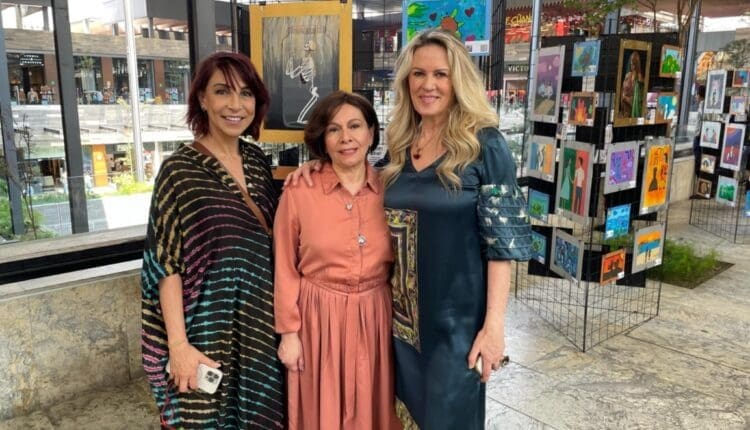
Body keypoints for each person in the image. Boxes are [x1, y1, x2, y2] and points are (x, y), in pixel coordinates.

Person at [288, 29, 532, 429]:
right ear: (406, 81)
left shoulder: (485, 145)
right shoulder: (402, 144)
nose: (427, 84)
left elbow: (501, 248)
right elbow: (360, 179)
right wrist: (320, 166)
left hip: (456, 328)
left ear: (458, 80)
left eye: (440, 74)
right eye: (418, 74)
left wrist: (494, 327)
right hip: (398, 326)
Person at [140, 52, 284, 429]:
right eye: (222, 92)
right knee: (205, 419)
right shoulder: (178, 170)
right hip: (204, 329)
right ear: (202, 99)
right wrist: (178, 346)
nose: (236, 105)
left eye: (246, 93)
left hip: (259, 326)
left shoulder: (257, 162)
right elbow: (164, 265)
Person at [274, 91, 400, 430]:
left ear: (371, 133)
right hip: (318, 318)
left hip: (375, 317)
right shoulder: (299, 192)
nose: (346, 138)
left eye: (355, 126)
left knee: (373, 408)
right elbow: (284, 267)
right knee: (321, 411)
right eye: (334, 129)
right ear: (323, 140)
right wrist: (289, 334)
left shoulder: (392, 190)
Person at [620, 51, 644, 118]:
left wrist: (625, 98)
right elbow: (622, 91)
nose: (631, 65)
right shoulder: (628, 75)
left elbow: (637, 101)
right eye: (631, 62)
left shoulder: (639, 79)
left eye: (633, 63)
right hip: (624, 111)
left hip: (632, 113)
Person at [692, 84, 706, 180]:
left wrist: (697, 134)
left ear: (700, 95)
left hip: (699, 136)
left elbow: (702, 120)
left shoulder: (703, 105)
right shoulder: (702, 105)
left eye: (697, 94)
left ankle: (699, 176)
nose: (696, 96)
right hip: (699, 135)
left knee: (698, 158)